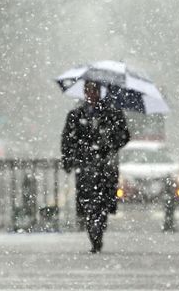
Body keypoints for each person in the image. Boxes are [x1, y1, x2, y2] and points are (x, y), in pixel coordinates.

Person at [61, 81, 130, 253]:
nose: (91, 94)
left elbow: (124, 136)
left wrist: (108, 142)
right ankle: (94, 232)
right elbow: (68, 140)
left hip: (105, 167)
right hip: (85, 166)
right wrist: (70, 160)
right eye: (88, 90)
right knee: (88, 202)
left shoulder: (112, 113)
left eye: (94, 90)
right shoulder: (76, 115)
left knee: (102, 202)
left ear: (100, 92)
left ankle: (98, 228)